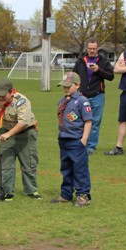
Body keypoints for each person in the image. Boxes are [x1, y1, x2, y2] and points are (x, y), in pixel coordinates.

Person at [0, 77, 40, 201]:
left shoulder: (21, 101)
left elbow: (23, 122)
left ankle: (31, 191)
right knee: (5, 164)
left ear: (11, 92)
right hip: (5, 130)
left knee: (29, 163)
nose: (0, 98)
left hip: (25, 132)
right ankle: (6, 192)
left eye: (3, 95)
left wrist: (9, 134)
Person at [51, 72, 93, 207]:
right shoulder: (63, 100)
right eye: (64, 86)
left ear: (77, 85)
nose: (65, 89)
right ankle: (66, 193)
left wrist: (84, 139)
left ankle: (83, 195)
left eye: (68, 86)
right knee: (66, 168)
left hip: (76, 140)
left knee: (80, 169)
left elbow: (88, 121)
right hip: (64, 139)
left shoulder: (82, 101)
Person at [72, 38, 114, 155]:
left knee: (95, 122)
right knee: (79, 120)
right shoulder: (81, 61)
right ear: (87, 48)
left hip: (97, 96)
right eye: (90, 48)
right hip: (82, 96)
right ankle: (80, 144)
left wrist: (98, 70)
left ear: (97, 48)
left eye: (94, 49)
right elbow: (73, 76)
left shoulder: (103, 61)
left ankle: (91, 147)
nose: (92, 51)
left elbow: (111, 76)